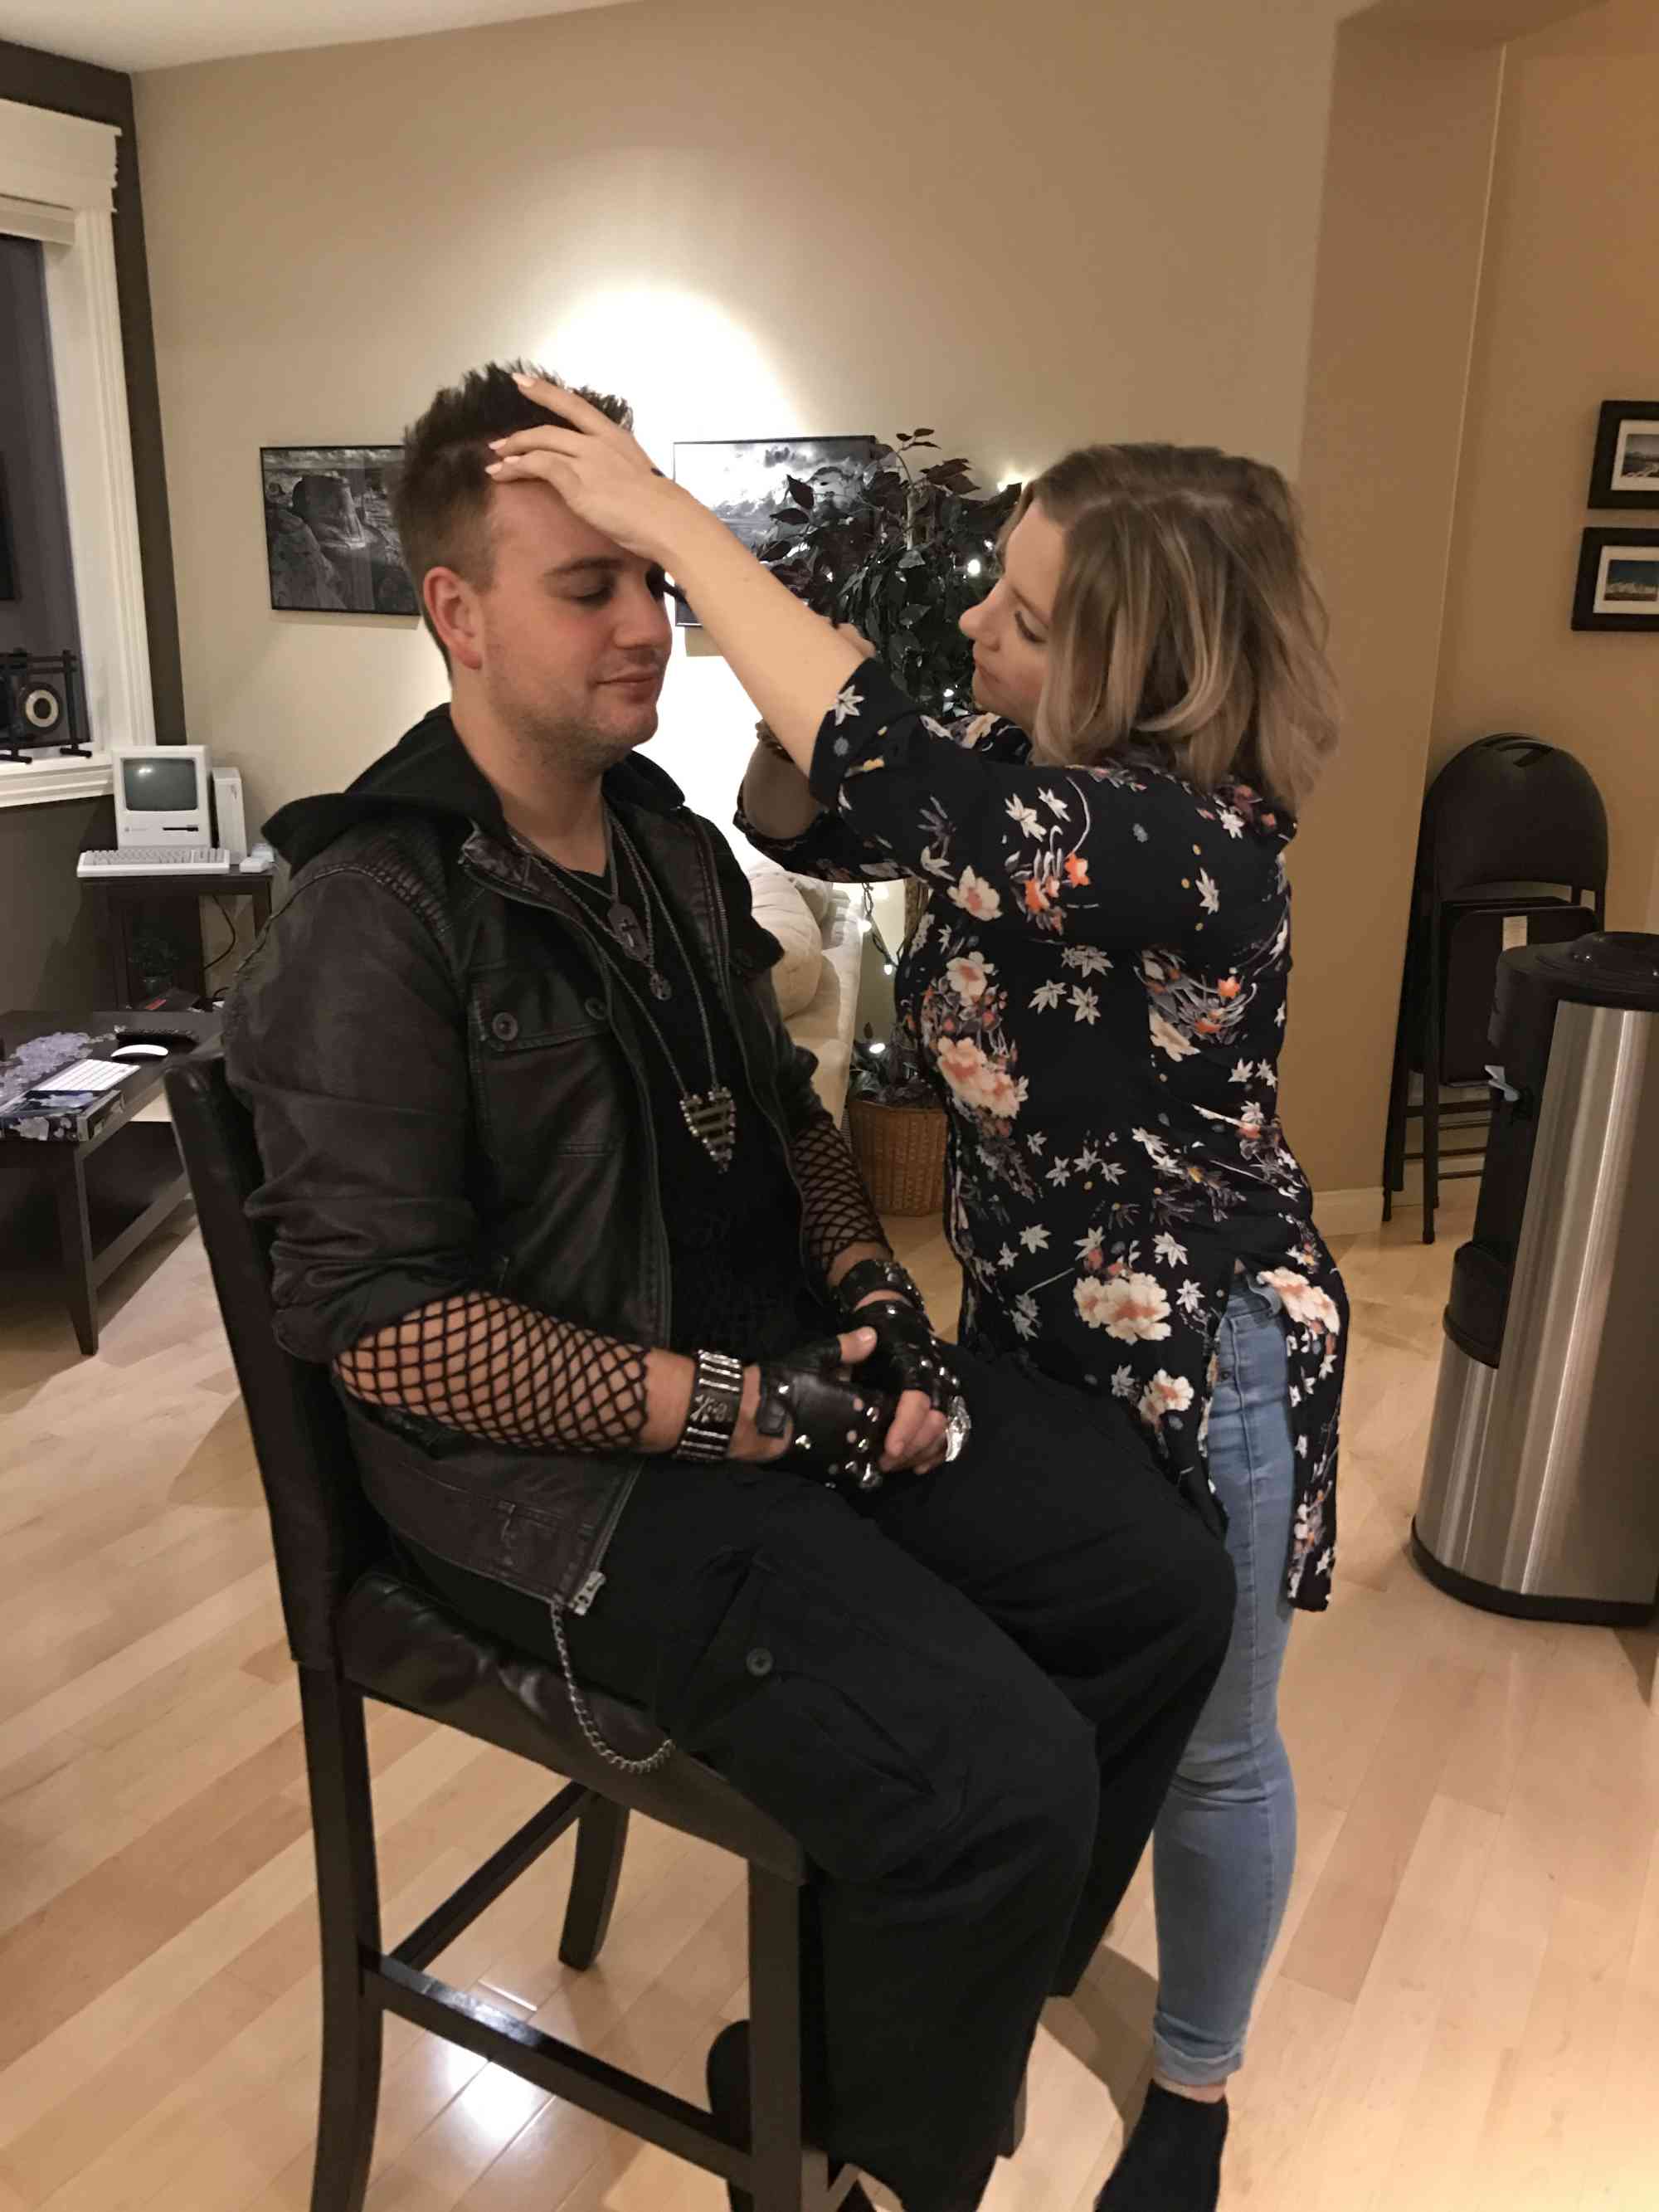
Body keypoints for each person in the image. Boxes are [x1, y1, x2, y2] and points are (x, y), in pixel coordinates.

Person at [224, 363, 1235, 2212]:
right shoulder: (373, 905)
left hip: (770, 1382)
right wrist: (753, 1411)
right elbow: (387, 1331)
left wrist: (872, 1300)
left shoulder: (674, 842)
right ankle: (873, 2152)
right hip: (556, 1494)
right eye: (586, 584)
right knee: (1000, 1778)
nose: (647, 620)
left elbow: (791, 1121)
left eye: (650, 573)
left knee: (1160, 1586)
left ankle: (869, 2054)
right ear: (456, 611)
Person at [484, 390, 1350, 2212]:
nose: (975, 622)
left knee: (1212, 1745)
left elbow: (899, 779)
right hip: (1024, 1316)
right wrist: (805, 716)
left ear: (1135, 671)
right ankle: (984, 1987)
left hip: (1204, 1353)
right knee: (1050, 1661)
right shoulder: (1011, 766)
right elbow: (812, 816)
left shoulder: (1195, 842)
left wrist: (672, 522)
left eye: (1022, 616)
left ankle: (1191, 2091)